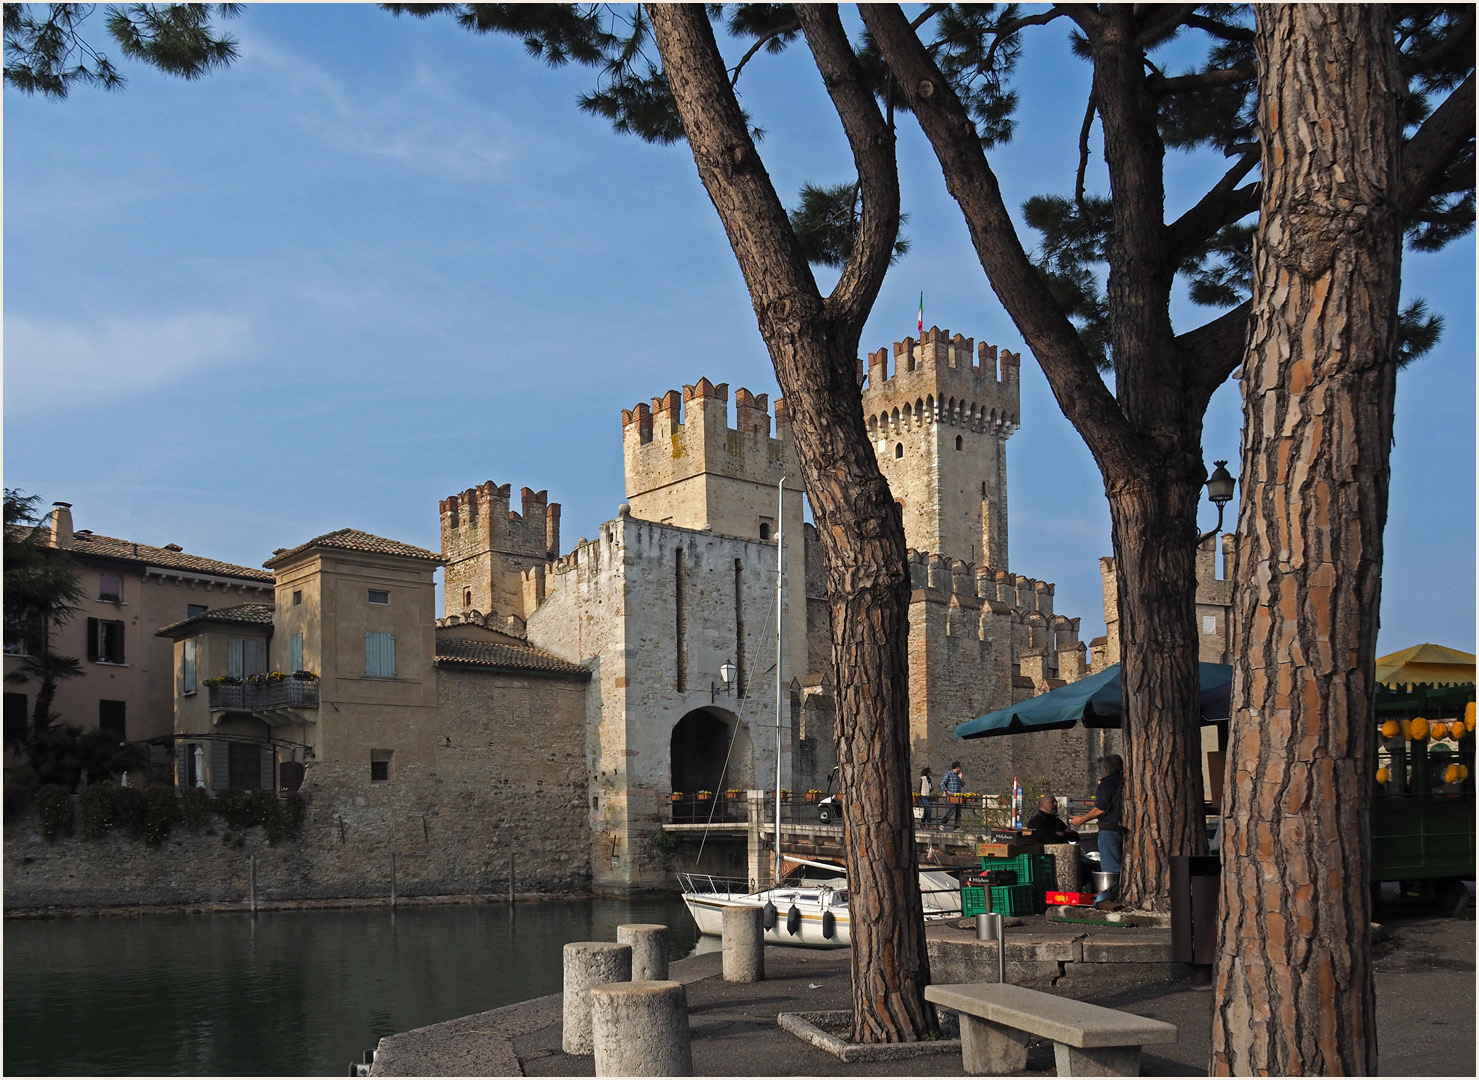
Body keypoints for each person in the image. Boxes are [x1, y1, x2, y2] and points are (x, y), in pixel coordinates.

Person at [1070, 753, 1125, 910]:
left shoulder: (1107, 783)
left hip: (1109, 830)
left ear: (1106, 768)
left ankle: (1107, 899)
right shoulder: (1126, 782)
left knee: (1111, 868)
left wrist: (1082, 820)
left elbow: (1100, 808)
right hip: (1122, 829)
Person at [940, 760, 966, 829]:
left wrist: (961, 778)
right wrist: (947, 791)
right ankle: (942, 823)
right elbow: (942, 784)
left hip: (958, 795)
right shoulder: (949, 774)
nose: (961, 768)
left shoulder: (958, 775)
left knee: (958, 811)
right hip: (951, 796)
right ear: (957, 767)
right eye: (960, 766)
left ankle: (956, 826)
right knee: (952, 809)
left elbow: (962, 785)